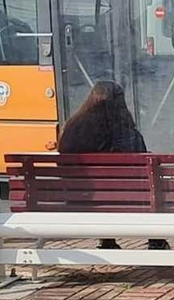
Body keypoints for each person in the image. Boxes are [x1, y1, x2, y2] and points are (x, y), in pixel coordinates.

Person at [57, 81, 167, 251]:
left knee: (105, 192)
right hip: (130, 199)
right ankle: (156, 241)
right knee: (152, 188)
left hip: (82, 199)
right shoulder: (125, 132)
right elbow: (140, 158)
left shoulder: (72, 128)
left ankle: (107, 240)